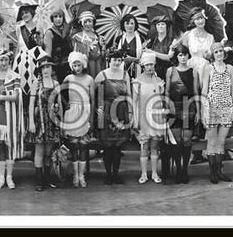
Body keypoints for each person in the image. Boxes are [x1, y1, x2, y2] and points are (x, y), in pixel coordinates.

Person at [199, 43, 233, 183]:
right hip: (212, 106)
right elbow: (204, 89)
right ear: (212, 54)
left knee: (221, 142)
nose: (219, 54)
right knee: (212, 142)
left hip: (226, 107)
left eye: (221, 51)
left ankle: (220, 171)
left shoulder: (231, 69)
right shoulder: (208, 68)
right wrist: (203, 109)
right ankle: (212, 173)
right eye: (216, 52)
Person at [94, 51, 132, 185]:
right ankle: (108, 175)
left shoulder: (125, 74)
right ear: (109, 60)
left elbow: (129, 95)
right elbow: (94, 93)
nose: (116, 62)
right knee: (107, 145)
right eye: (114, 60)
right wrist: (97, 109)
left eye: (119, 60)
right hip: (106, 112)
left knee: (117, 146)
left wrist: (130, 112)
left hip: (121, 111)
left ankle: (116, 174)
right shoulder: (101, 75)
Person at [0, 50, 23, 190]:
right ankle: (1, 178)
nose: (3, 63)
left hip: (10, 116)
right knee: (0, 145)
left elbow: (16, 97)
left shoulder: (14, 76)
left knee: (9, 145)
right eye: (1, 60)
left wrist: (2, 98)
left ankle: (9, 177)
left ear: (10, 61)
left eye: (6, 60)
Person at [130, 51, 166, 184]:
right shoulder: (137, 81)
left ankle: (155, 173)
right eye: (147, 65)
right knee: (144, 146)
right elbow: (134, 102)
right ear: (143, 66)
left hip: (156, 117)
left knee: (155, 146)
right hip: (143, 116)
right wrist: (136, 119)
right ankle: (144, 174)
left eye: (152, 64)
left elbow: (161, 100)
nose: (150, 67)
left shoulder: (158, 81)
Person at [59, 51, 94, 188]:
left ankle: (82, 175)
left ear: (83, 64)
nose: (77, 68)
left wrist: (91, 117)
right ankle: (75, 175)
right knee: (74, 145)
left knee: (84, 146)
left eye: (79, 65)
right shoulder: (68, 78)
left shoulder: (89, 79)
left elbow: (92, 99)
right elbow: (59, 92)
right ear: (71, 66)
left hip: (85, 111)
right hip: (72, 111)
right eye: (74, 65)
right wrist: (65, 103)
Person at [26, 56, 61, 191]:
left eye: (48, 67)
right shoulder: (36, 83)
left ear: (52, 68)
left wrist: (60, 120)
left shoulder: (56, 84)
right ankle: (39, 181)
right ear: (40, 70)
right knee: (39, 151)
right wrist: (31, 122)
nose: (46, 69)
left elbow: (59, 104)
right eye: (43, 67)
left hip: (52, 121)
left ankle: (47, 178)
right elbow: (31, 104)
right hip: (40, 120)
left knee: (49, 151)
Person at [164, 45, 198, 184]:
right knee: (176, 141)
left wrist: (198, 112)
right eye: (180, 55)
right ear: (176, 57)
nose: (183, 57)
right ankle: (178, 169)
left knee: (187, 140)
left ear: (188, 55)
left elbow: (196, 92)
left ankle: (185, 169)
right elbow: (166, 91)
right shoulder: (170, 71)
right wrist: (166, 108)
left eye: (185, 54)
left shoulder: (193, 72)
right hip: (173, 107)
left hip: (188, 107)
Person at [178, 8, 216, 74]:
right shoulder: (188, 35)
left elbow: (213, 57)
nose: (200, 21)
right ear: (193, 21)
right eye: (197, 19)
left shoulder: (211, 37)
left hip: (206, 69)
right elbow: (183, 53)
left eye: (202, 18)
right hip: (191, 67)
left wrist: (209, 55)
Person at [72, 11, 107, 79]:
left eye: (90, 21)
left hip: (97, 67)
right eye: (85, 22)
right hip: (85, 68)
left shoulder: (98, 37)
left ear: (93, 22)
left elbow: (102, 57)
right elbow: (76, 57)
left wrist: (103, 46)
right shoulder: (77, 37)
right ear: (81, 23)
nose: (87, 24)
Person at [44, 9, 73, 81]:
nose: (58, 19)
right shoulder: (49, 33)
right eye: (55, 17)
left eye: (60, 16)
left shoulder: (66, 32)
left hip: (68, 66)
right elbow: (48, 53)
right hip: (56, 67)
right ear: (52, 19)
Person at [145, 14, 178, 80]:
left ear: (166, 26)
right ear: (156, 27)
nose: (160, 26)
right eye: (158, 24)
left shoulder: (173, 41)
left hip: (168, 71)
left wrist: (152, 52)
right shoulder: (151, 40)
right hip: (154, 71)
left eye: (163, 24)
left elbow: (169, 57)